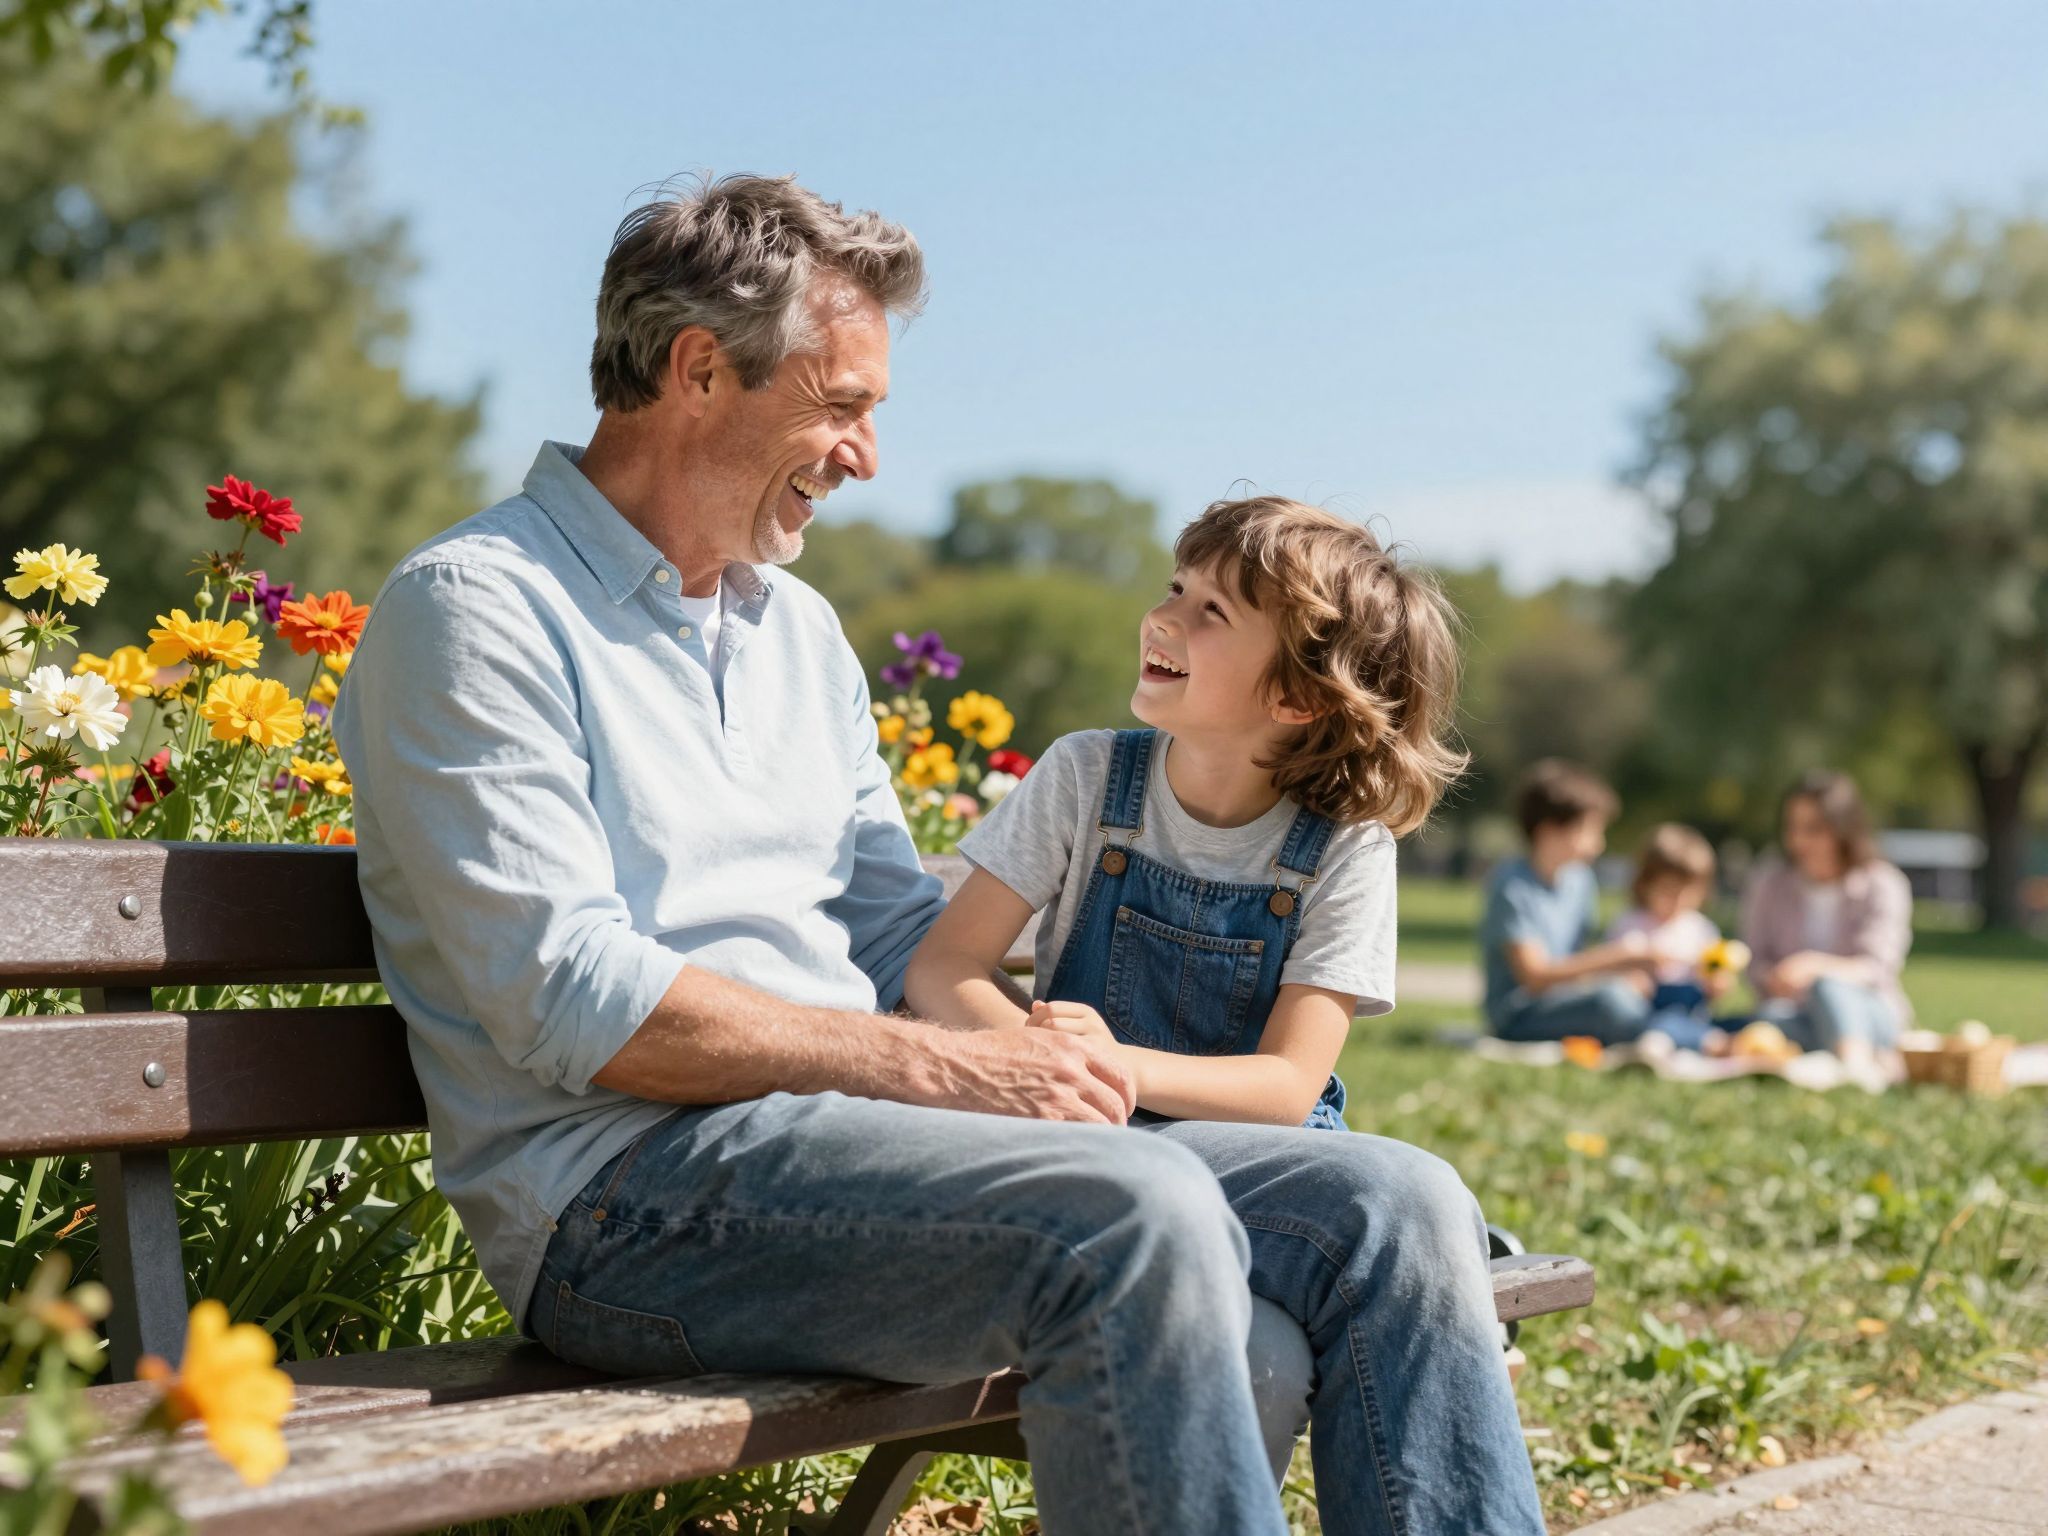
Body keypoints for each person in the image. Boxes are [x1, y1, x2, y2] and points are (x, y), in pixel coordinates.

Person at [333, 174, 1546, 1536]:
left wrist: (1056, 1035)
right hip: (625, 1202)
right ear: (697, 370)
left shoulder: (792, 635)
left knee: (1393, 1200)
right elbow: (568, 998)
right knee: (1133, 1215)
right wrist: (944, 1064)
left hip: (857, 1150)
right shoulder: (479, 613)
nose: (865, 455)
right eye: (843, 405)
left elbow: (903, 937)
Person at [907, 498, 1531, 1528]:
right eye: (1174, 589)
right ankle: (1458, 1265)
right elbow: (944, 967)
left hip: (1246, 1156)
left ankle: (1453, 1264)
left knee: (1403, 1215)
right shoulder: (1085, 777)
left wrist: (1123, 1067)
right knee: (1383, 1244)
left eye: (1210, 613)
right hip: (1096, 1154)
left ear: (1293, 693)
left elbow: (1287, 1089)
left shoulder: (1340, 847)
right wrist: (1038, 1057)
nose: (1164, 618)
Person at [1741, 770, 1913, 1068]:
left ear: (1843, 829)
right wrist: (1774, 978)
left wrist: (1814, 967)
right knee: (1768, 1020)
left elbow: (1878, 966)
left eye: (1814, 828)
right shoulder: (1770, 881)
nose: (1799, 840)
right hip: (1795, 1012)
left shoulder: (1882, 883)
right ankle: (1845, 1058)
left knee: (1828, 987)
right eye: (1792, 827)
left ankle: (1853, 1064)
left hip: (1868, 1010)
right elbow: (1753, 959)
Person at [1480, 760, 1660, 1044]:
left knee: (1626, 994)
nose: (1598, 844)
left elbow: (1576, 964)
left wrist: (1619, 974)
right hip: (1519, 1014)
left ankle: (1667, 1030)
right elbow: (1534, 976)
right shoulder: (1512, 884)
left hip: (1564, 1002)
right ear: (1549, 830)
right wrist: (1617, 957)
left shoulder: (1580, 881)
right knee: (1611, 1003)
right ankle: (1664, 1034)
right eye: (1590, 830)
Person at [1605, 823, 1734, 1051]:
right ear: (1646, 885)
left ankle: (1684, 1040)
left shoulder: (1702, 930)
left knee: (1695, 1021)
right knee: (1658, 1023)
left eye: (1688, 892)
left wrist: (1718, 983)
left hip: (1690, 1009)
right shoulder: (1631, 924)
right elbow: (1615, 972)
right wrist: (1633, 977)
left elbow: (1717, 982)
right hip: (1646, 1008)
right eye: (1668, 891)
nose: (1678, 900)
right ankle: (1695, 1041)